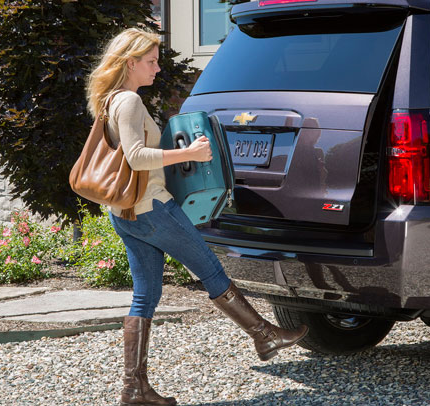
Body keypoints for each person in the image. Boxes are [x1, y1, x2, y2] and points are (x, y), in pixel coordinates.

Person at [85, 28, 308, 406]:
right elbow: (136, 158)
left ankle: (133, 389)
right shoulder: (129, 102)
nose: (157, 68)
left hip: (125, 213)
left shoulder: (109, 100)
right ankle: (264, 335)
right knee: (210, 269)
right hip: (152, 208)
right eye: (151, 61)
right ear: (130, 62)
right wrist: (190, 155)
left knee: (146, 296)